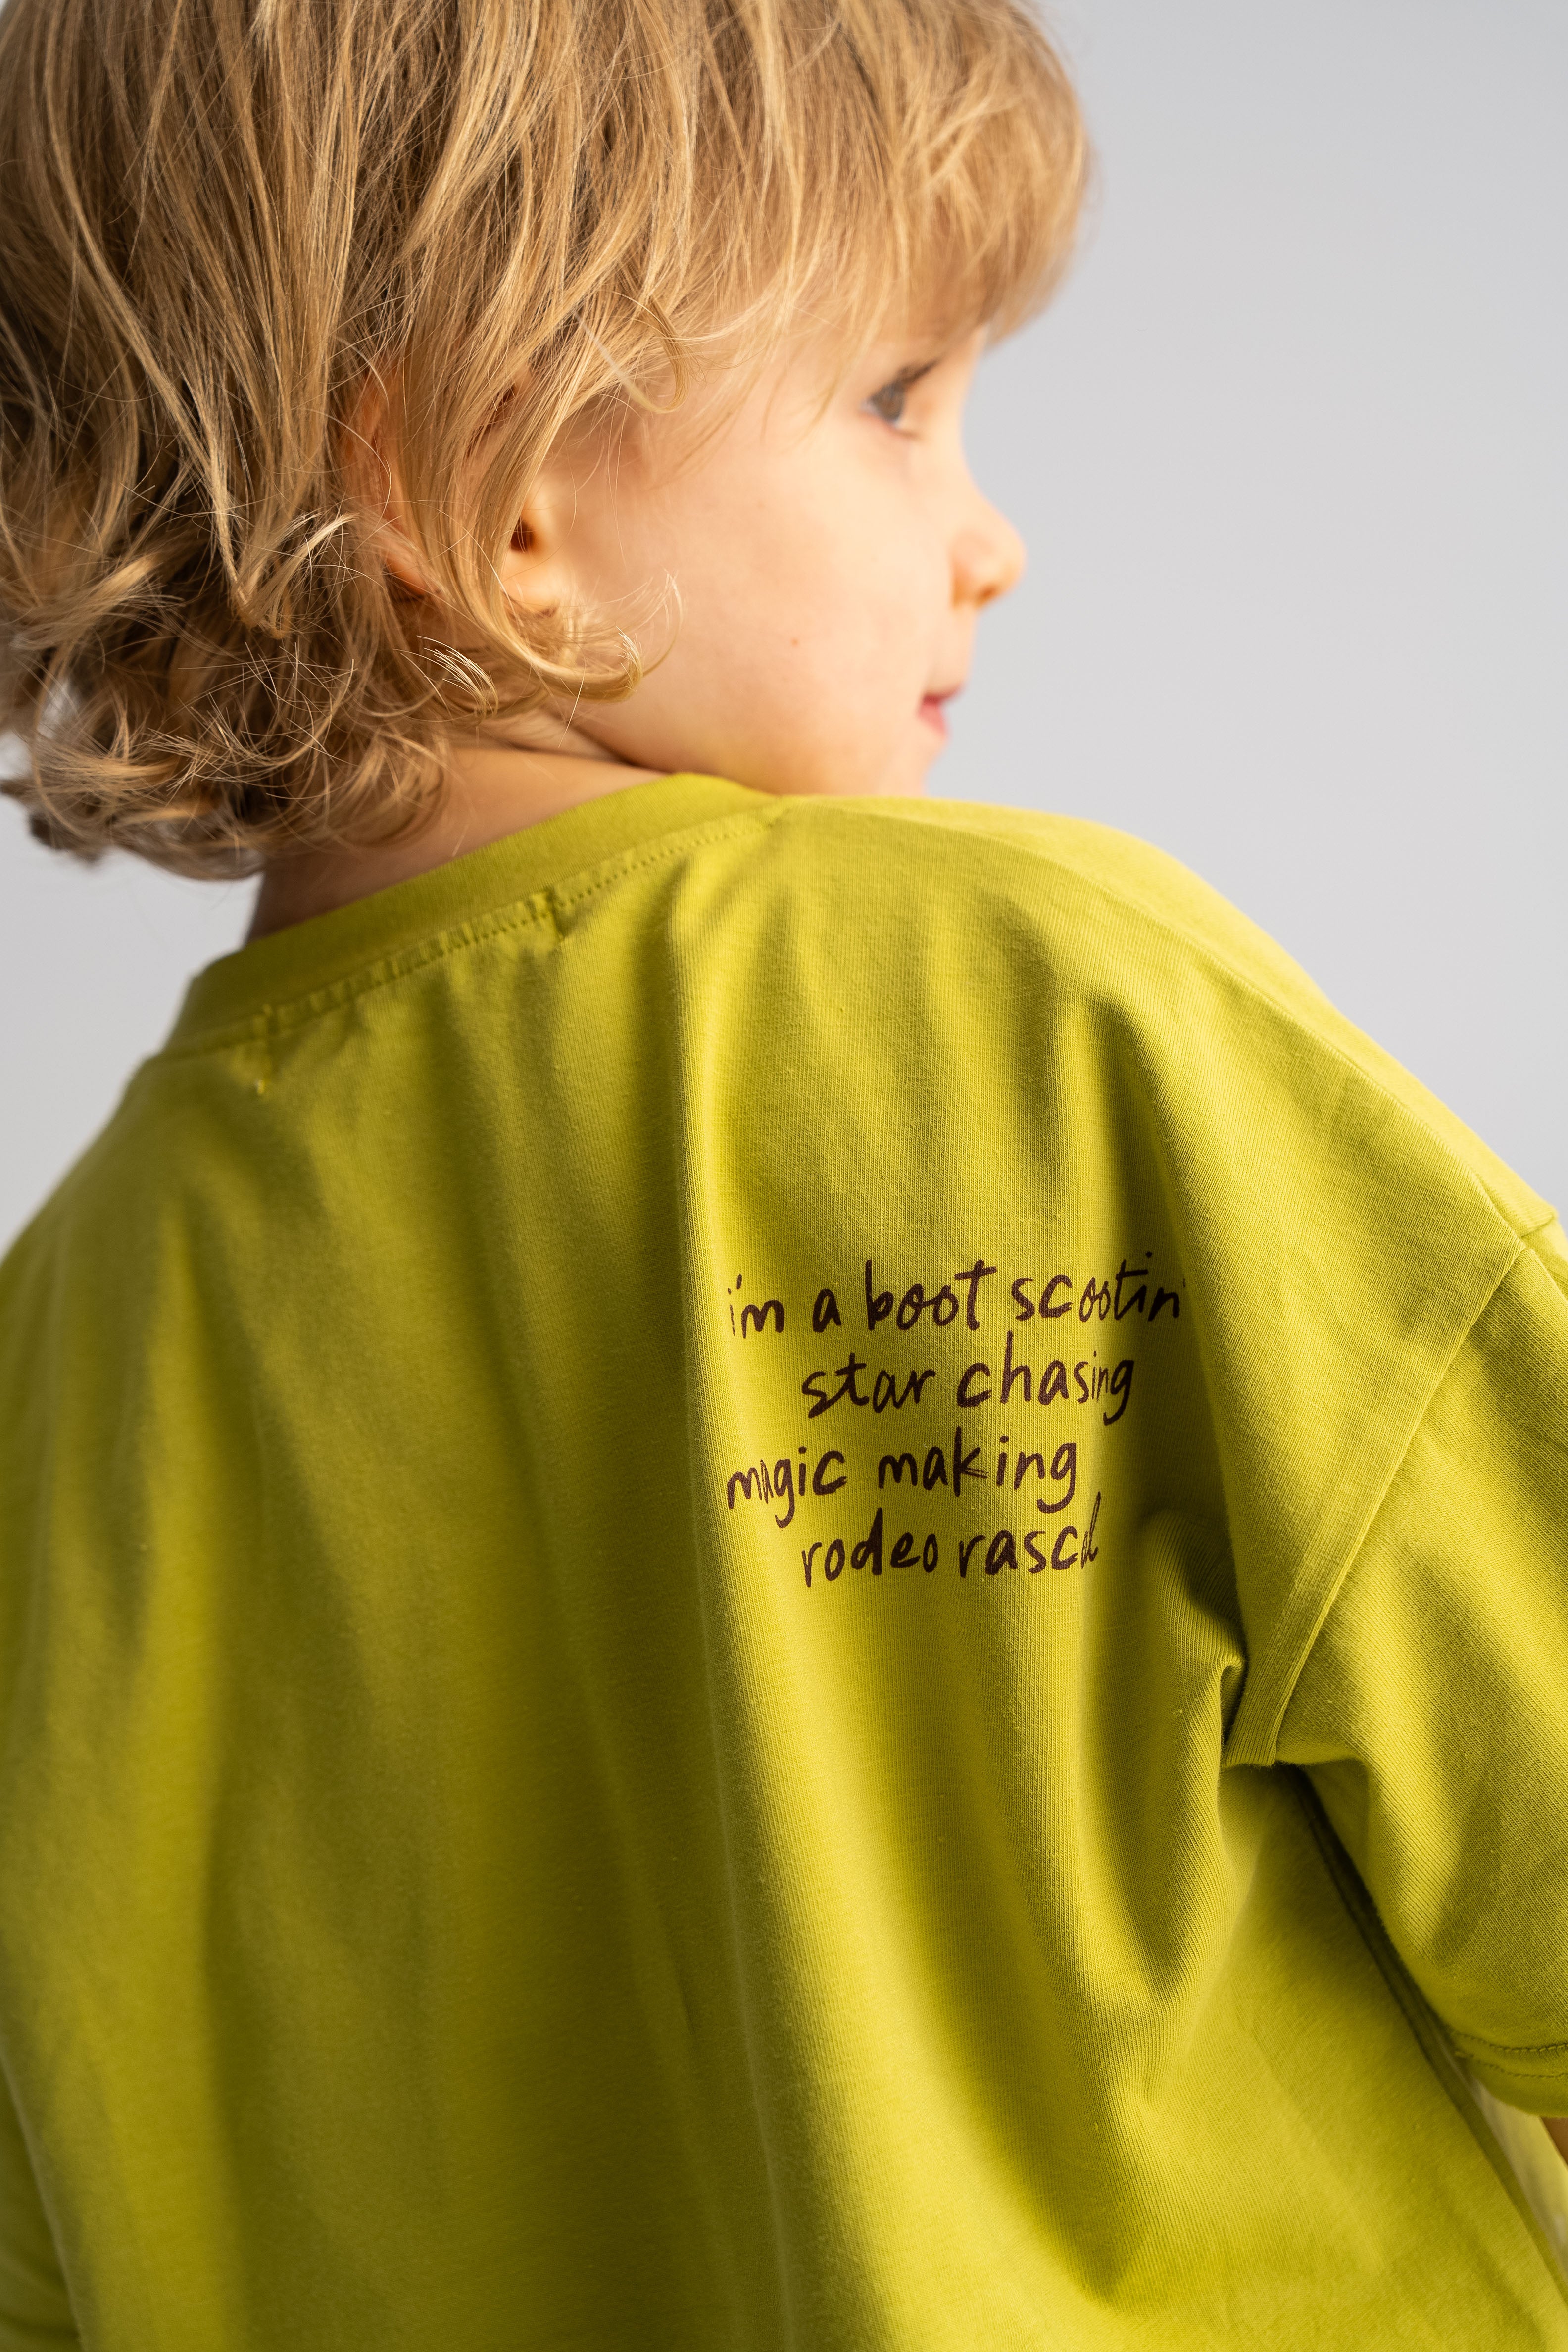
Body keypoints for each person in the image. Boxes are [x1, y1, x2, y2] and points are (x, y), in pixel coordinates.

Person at [0, 0, 1564, 2340]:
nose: (991, 535)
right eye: (895, 399)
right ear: (492, 485)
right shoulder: (1042, 1005)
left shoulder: (55, 1351)